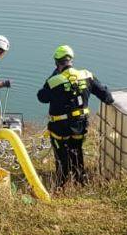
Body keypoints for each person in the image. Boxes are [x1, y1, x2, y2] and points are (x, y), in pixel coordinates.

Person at [37, 45, 114, 187]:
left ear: (56, 63)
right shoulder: (86, 76)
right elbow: (107, 97)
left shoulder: (54, 81)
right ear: (71, 60)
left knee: (61, 154)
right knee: (76, 150)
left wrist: (54, 77)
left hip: (59, 126)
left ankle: (62, 184)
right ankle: (80, 180)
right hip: (80, 124)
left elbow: (41, 97)